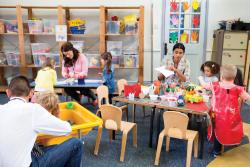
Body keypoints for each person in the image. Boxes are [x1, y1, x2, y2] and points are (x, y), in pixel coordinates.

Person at [0, 76, 83, 167]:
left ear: (7, 92)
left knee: (49, 148)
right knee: (76, 143)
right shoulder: (34, 109)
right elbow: (67, 129)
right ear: (31, 93)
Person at [200, 65, 250, 157]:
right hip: (231, 115)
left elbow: (204, 85)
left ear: (221, 76)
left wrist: (200, 79)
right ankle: (231, 141)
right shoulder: (238, 89)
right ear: (234, 77)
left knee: (216, 130)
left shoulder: (214, 85)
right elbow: (247, 97)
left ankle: (217, 151)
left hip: (216, 114)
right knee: (230, 128)